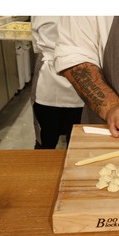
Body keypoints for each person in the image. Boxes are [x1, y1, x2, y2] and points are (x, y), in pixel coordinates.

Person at [31, 16, 84, 149]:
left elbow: (37, 45)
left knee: (46, 141)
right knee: (76, 143)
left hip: (48, 83)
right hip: (82, 82)